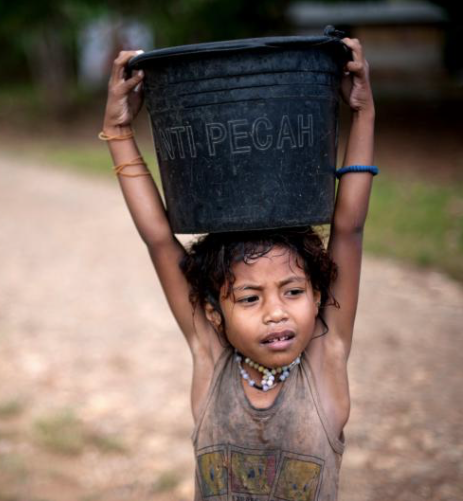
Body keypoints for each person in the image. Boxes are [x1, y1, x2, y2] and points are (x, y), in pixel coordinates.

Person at [100, 37, 375, 500]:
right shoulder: (212, 359)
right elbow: (159, 238)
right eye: (249, 298)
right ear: (213, 313)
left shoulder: (323, 364)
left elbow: (347, 230)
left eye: (293, 291)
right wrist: (118, 131)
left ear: (318, 295)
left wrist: (363, 113)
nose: (276, 313)